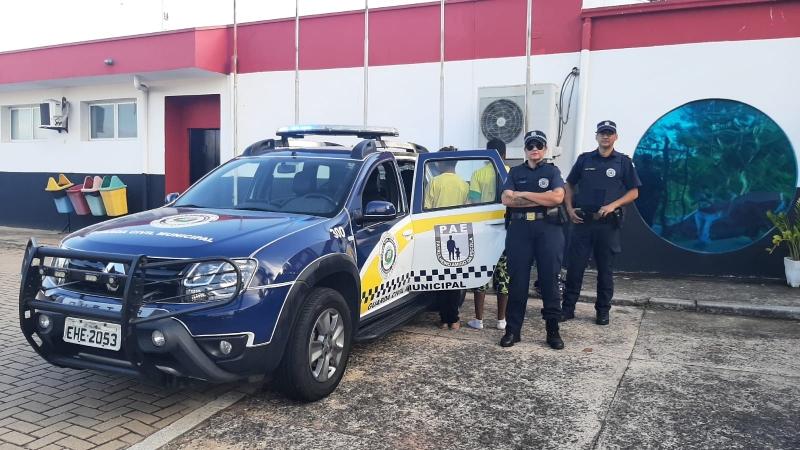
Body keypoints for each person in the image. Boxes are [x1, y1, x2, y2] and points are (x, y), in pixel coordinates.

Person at [561, 120, 641, 325]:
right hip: (582, 223)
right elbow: (569, 184)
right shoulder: (584, 160)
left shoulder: (623, 162)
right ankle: (568, 309)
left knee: (605, 271)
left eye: (610, 133)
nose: (606, 136)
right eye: (602, 133)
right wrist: (569, 208)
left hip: (607, 225)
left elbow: (634, 191)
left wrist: (614, 205)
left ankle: (602, 311)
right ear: (596, 136)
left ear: (616, 137)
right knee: (575, 269)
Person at [499, 130, 566, 349]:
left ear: (545, 149)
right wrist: (540, 200)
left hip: (548, 229)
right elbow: (506, 200)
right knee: (517, 282)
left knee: (549, 281)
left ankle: (553, 331)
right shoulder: (516, 171)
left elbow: (557, 197)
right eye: (530, 146)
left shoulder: (552, 171)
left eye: (538, 145)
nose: (534, 149)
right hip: (520, 229)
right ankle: (513, 331)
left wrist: (523, 194)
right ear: (525, 150)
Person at [424, 147, 469, 330]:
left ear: (440, 162)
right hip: (459, 234)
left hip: (438, 233)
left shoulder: (434, 182)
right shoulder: (463, 184)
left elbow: (426, 208)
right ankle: (455, 319)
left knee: (441, 278)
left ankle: (444, 319)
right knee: (456, 279)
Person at [467, 138, 509, 331]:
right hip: (505, 230)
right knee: (503, 275)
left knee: (481, 274)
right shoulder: (511, 173)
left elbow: (473, 202)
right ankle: (501, 320)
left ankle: (479, 319)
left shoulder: (478, 174)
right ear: (505, 154)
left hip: (484, 231)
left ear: (487, 154)